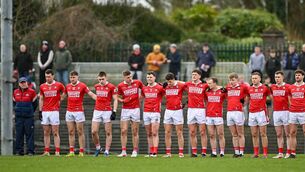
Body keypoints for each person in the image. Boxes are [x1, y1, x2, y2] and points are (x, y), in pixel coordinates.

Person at [62, 71, 96, 157]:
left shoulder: (82, 86)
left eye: (74, 77)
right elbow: (62, 97)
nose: (72, 79)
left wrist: (99, 99)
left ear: (77, 77)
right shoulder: (68, 86)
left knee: (80, 131)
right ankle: (72, 151)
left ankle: (81, 151)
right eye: (71, 77)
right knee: (71, 132)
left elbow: (91, 94)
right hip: (69, 111)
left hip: (78, 111)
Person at [117, 70, 143, 157]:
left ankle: (135, 151)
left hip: (135, 109)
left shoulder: (137, 82)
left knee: (135, 131)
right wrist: (122, 100)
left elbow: (145, 90)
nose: (130, 79)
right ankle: (123, 151)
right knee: (123, 130)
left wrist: (140, 97)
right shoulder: (120, 86)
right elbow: (117, 97)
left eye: (130, 77)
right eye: (128, 77)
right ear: (124, 77)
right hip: (125, 109)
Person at [39, 69, 65, 156]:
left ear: (53, 76)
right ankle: (47, 151)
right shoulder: (42, 86)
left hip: (54, 111)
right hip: (45, 111)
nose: (47, 78)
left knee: (55, 132)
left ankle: (57, 151)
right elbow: (41, 99)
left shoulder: (59, 85)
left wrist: (60, 99)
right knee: (46, 132)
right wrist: (40, 111)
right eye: (46, 76)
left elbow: (65, 92)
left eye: (49, 76)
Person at [92, 71, 118, 157]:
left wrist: (114, 111)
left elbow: (115, 99)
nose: (101, 81)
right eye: (99, 79)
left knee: (108, 132)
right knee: (94, 131)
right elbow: (97, 97)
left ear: (106, 78)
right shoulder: (96, 86)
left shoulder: (111, 87)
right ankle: (98, 147)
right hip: (97, 110)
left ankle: (106, 150)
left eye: (102, 79)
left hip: (107, 111)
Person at [247, 71, 271, 158]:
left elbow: (271, 98)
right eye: (253, 78)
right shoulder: (249, 88)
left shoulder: (265, 88)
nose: (254, 80)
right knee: (254, 134)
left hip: (261, 112)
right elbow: (246, 99)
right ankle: (256, 153)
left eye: (256, 78)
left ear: (260, 79)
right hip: (252, 112)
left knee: (263, 133)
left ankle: (265, 153)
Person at [184, 69, 208, 157]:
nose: (193, 76)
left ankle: (204, 151)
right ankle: (194, 152)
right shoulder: (188, 84)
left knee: (202, 132)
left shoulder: (204, 85)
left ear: (199, 76)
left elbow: (214, 86)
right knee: (192, 132)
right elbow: (178, 83)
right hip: (191, 110)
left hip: (200, 110)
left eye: (195, 74)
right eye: (192, 74)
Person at [141, 71, 164, 157]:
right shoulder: (144, 88)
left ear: (154, 78)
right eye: (148, 77)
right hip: (146, 112)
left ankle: (155, 152)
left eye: (150, 77)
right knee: (149, 133)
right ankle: (151, 152)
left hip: (155, 112)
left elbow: (166, 95)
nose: (149, 79)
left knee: (154, 132)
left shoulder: (160, 87)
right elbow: (141, 97)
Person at [163, 73, 186, 158]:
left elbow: (188, 84)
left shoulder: (180, 85)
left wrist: (185, 102)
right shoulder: (165, 86)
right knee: (167, 132)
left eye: (170, 81)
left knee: (179, 132)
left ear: (174, 79)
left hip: (177, 111)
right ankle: (168, 153)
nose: (169, 83)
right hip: (168, 110)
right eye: (167, 82)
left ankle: (181, 152)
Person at [13, 77, 38, 156]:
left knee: (29, 135)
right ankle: (18, 151)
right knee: (19, 134)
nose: (23, 84)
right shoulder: (15, 92)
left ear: (27, 83)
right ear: (19, 84)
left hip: (28, 117)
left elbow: (35, 104)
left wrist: (29, 111)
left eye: (24, 82)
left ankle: (30, 151)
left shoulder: (32, 92)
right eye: (21, 82)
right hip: (19, 117)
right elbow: (14, 104)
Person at [226, 73, 248, 158]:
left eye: (233, 80)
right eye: (230, 80)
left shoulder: (243, 87)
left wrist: (244, 104)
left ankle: (241, 152)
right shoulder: (227, 87)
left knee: (240, 133)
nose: (231, 82)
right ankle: (236, 152)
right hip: (229, 112)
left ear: (237, 80)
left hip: (238, 112)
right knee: (234, 134)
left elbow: (248, 95)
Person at [270, 71, 290, 159]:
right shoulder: (272, 87)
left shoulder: (288, 87)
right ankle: (280, 153)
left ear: (283, 77)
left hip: (286, 111)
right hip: (276, 112)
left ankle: (289, 152)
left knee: (287, 133)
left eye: (278, 77)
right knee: (278, 134)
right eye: (276, 77)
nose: (277, 79)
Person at [205, 77, 226, 157]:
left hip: (218, 115)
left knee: (220, 134)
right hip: (209, 115)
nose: (208, 85)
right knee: (211, 134)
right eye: (208, 83)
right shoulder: (207, 91)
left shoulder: (222, 91)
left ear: (215, 83)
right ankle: (214, 152)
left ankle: (222, 152)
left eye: (210, 83)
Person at [287, 69, 305, 158]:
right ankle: (293, 153)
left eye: (299, 75)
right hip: (293, 112)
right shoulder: (291, 87)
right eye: (296, 75)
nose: (297, 76)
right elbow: (289, 96)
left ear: (303, 76)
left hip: (303, 112)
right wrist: (291, 104)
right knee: (292, 132)